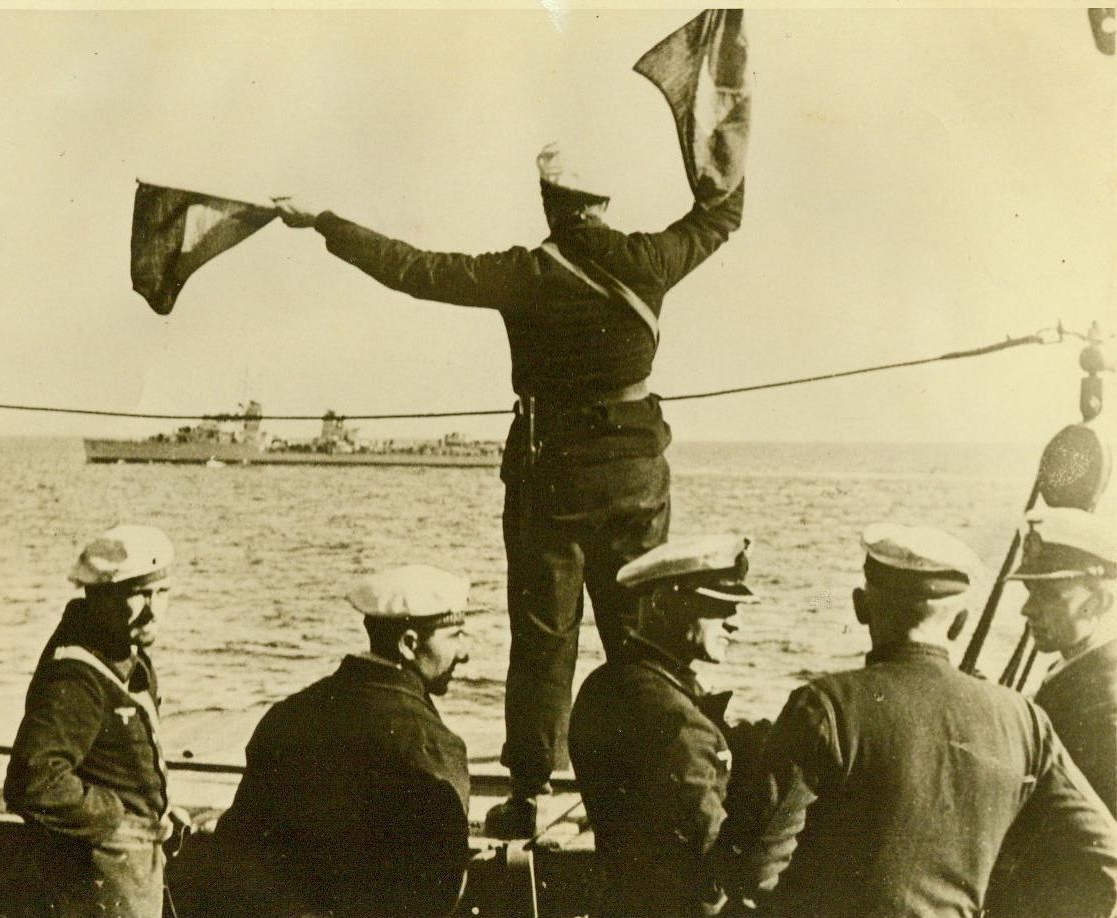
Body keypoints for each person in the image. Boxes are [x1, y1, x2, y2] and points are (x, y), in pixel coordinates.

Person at [272, 145, 745, 837]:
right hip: (637, 476)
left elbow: (416, 271)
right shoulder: (650, 260)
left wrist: (325, 222)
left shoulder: (527, 274)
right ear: (605, 204)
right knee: (644, 640)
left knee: (544, 643)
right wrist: (721, 137)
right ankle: (656, 788)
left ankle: (530, 794)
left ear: (550, 204)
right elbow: (721, 214)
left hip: (549, 476)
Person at [730, 523, 1117, 918]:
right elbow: (1105, 855)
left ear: (861, 607)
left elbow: (756, 865)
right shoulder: (1025, 720)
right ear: (959, 621)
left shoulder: (824, 706)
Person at [211, 564, 472, 918]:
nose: (465, 652)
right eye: (456, 636)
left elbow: (241, 846)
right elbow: (441, 890)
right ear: (409, 644)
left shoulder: (286, 716)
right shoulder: (432, 746)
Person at [568, 535, 759, 918]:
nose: (735, 623)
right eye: (719, 606)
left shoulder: (606, 683)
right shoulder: (678, 723)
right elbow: (714, 863)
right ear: (661, 605)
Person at [4, 524, 189, 918]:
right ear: (100, 597)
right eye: (139, 594)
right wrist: (117, 817)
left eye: (163, 592)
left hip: (131, 869)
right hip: (98, 874)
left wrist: (157, 808)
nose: (154, 609)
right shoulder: (76, 673)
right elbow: (34, 780)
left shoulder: (126, 653)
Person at [1010, 506, 1117, 816]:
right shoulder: (1078, 669)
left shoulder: (1106, 702)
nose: (1027, 609)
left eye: (1049, 594)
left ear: (1098, 602)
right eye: (1030, 590)